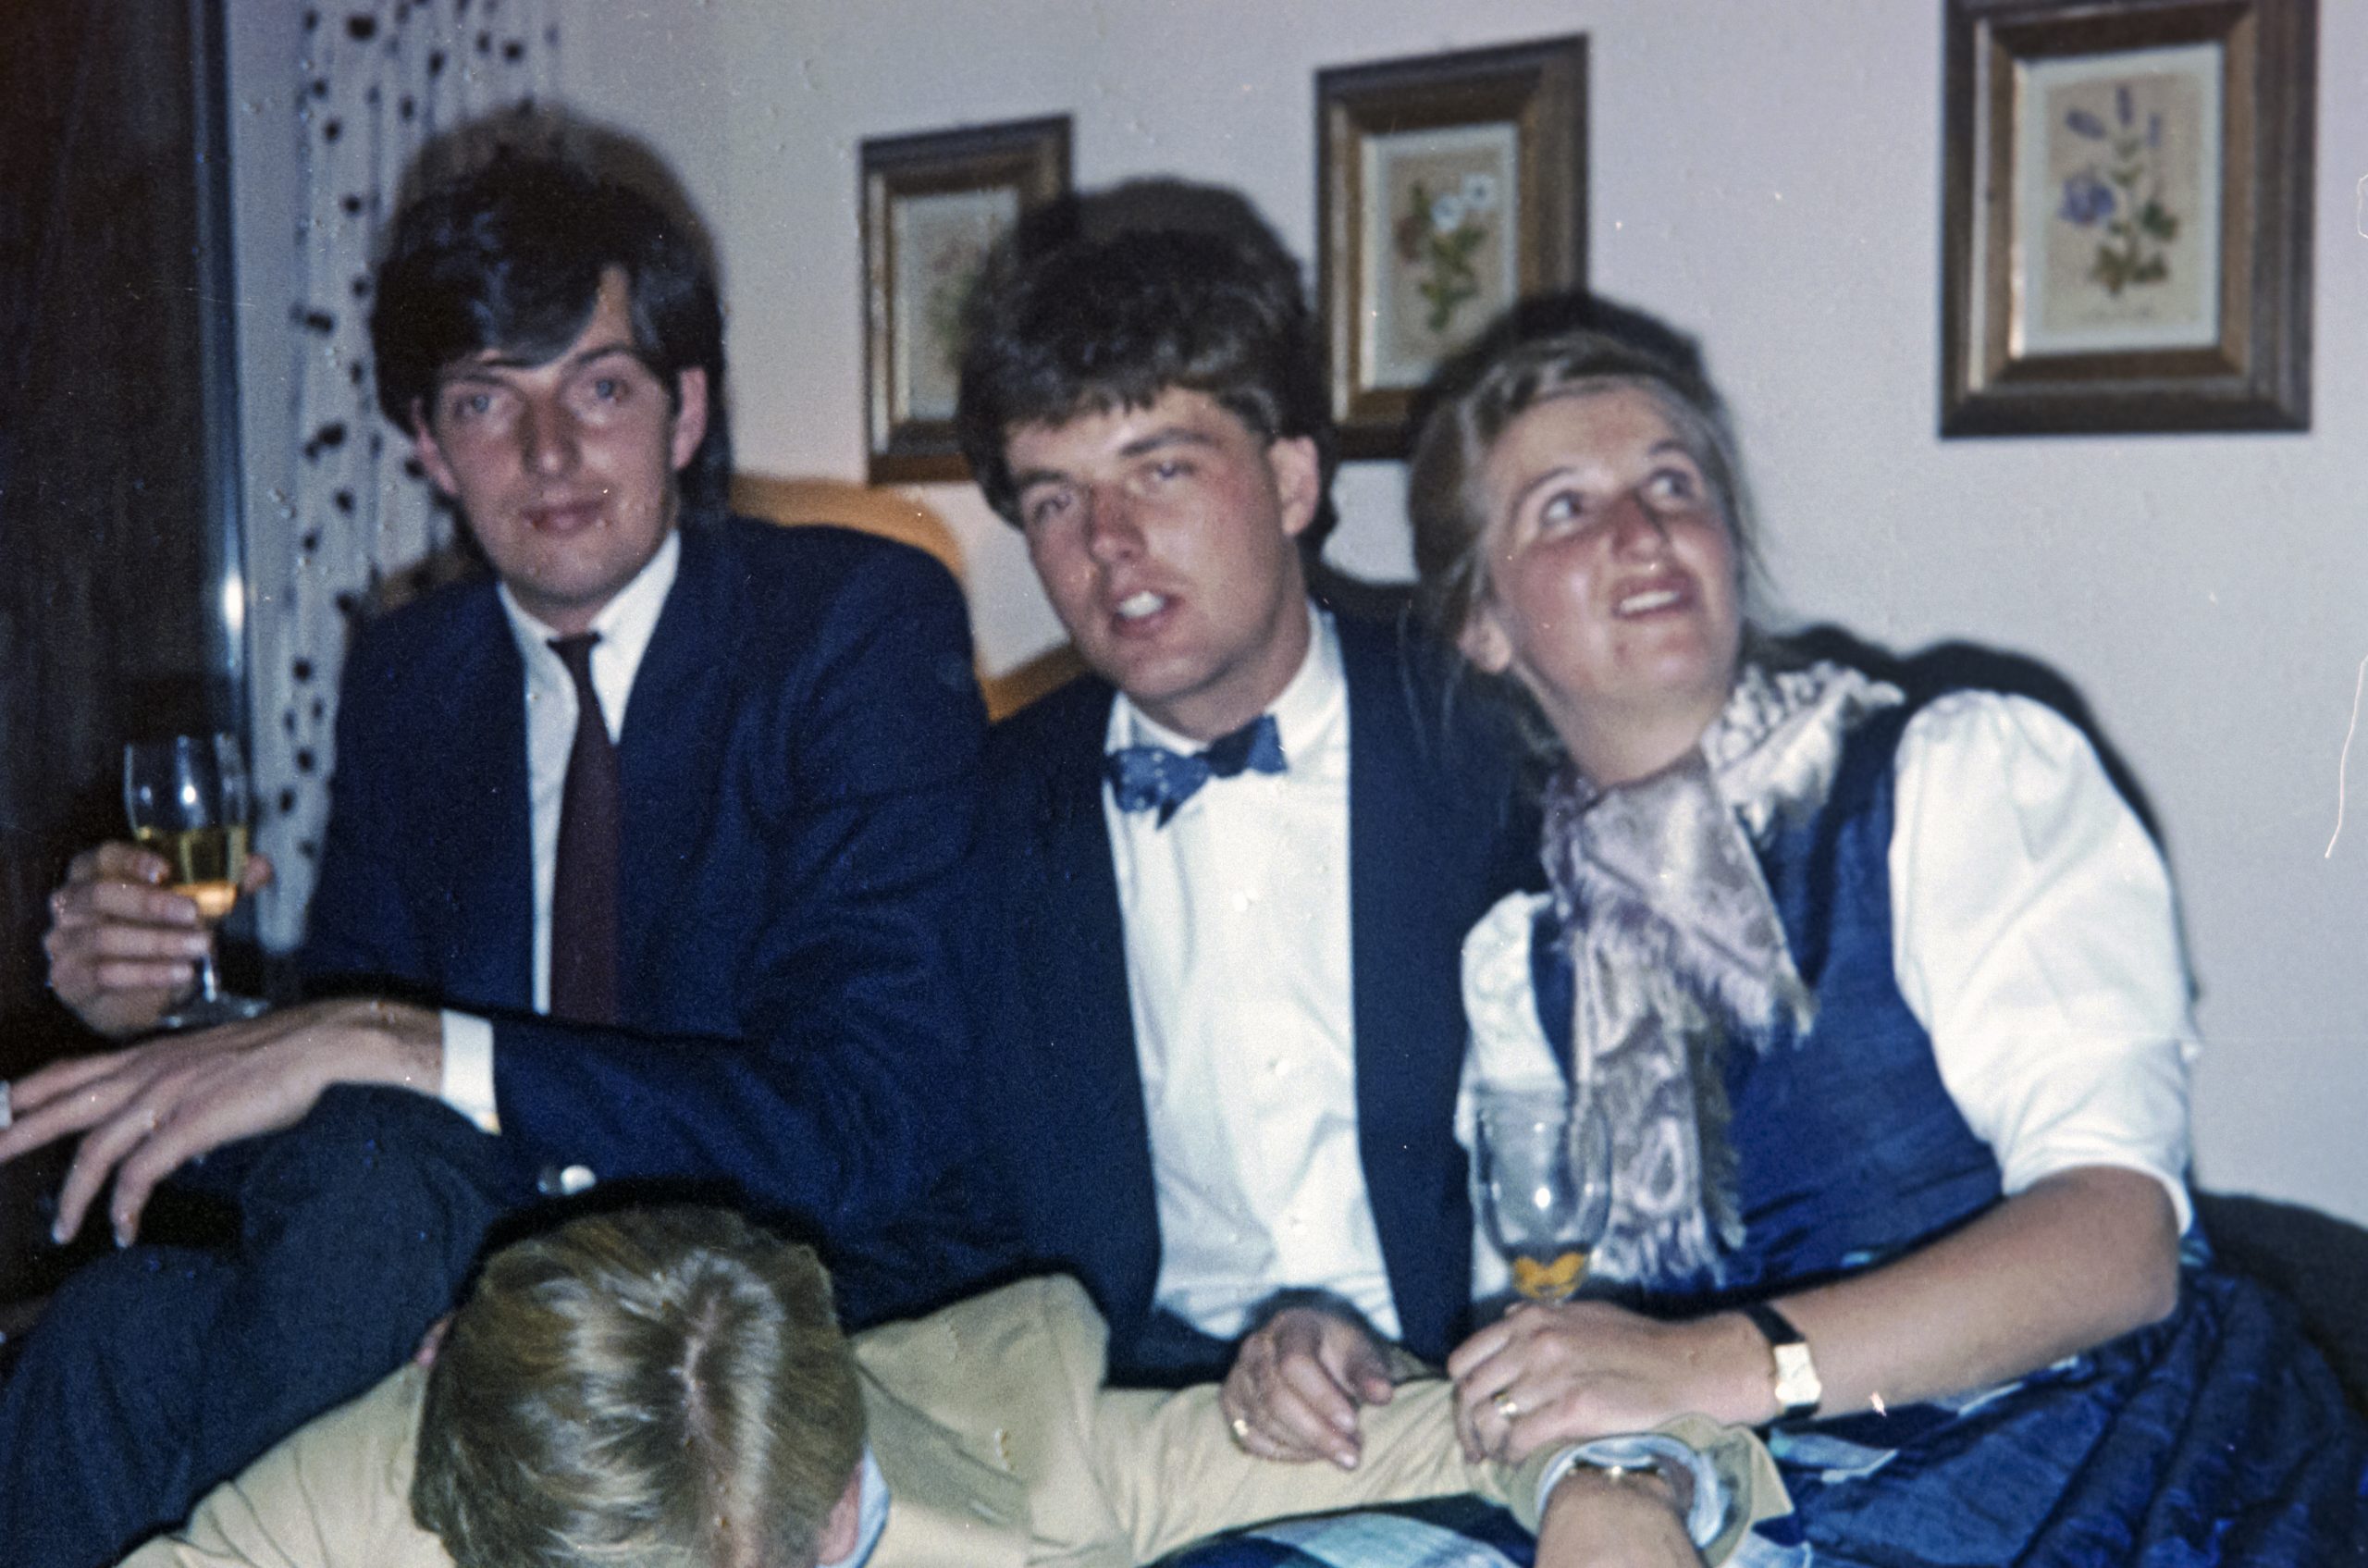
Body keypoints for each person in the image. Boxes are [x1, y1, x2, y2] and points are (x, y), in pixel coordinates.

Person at [6, 135, 984, 1568]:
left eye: (600, 388)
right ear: (426, 443)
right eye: (486, 401)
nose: (549, 455)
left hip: (754, 1303)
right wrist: (159, 1016)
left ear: (686, 411)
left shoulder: (848, 627)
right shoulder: (417, 674)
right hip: (469, 1269)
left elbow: (865, 1130)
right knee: (116, 1331)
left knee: (370, 1177)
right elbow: (350, 1106)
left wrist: (391, 1050)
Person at [1363, 301, 2366, 1562]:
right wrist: (1610, 1478)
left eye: (1673, 484)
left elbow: (2120, 1244)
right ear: (1483, 623)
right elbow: (1554, 1325)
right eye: (1564, 507)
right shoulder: (1523, 958)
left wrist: (1712, 1368)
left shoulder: (1962, 775)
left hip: (2072, 1442)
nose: (1642, 531)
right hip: (1714, 1464)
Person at [952, 214, 1535, 1441]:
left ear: (1292, 483)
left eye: (1161, 470)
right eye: (1056, 500)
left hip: (1485, 1391)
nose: (1108, 544)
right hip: (1151, 1424)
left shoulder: (1495, 737)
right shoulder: (983, 811)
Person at [118, 1205, 1782, 1568]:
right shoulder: (407, 1474)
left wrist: (1614, 1496)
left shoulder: (1031, 1448)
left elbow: (1552, 1410)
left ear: (846, 1499)